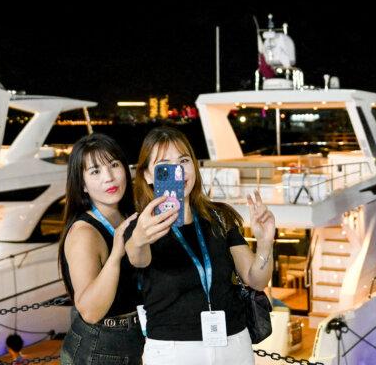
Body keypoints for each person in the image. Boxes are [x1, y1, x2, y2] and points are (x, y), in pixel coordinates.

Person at [126, 126, 276, 365]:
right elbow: (138, 258)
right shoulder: (140, 226)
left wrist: (265, 242)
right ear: (147, 175)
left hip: (233, 343)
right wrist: (138, 239)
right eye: (165, 165)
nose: (178, 171)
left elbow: (256, 280)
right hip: (174, 350)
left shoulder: (219, 217)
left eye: (184, 161)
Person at [58, 133, 145, 365]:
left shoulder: (129, 215)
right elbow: (90, 311)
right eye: (95, 171)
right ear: (82, 185)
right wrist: (116, 255)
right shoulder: (84, 233)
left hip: (134, 338)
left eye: (114, 165)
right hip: (99, 345)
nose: (109, 178)